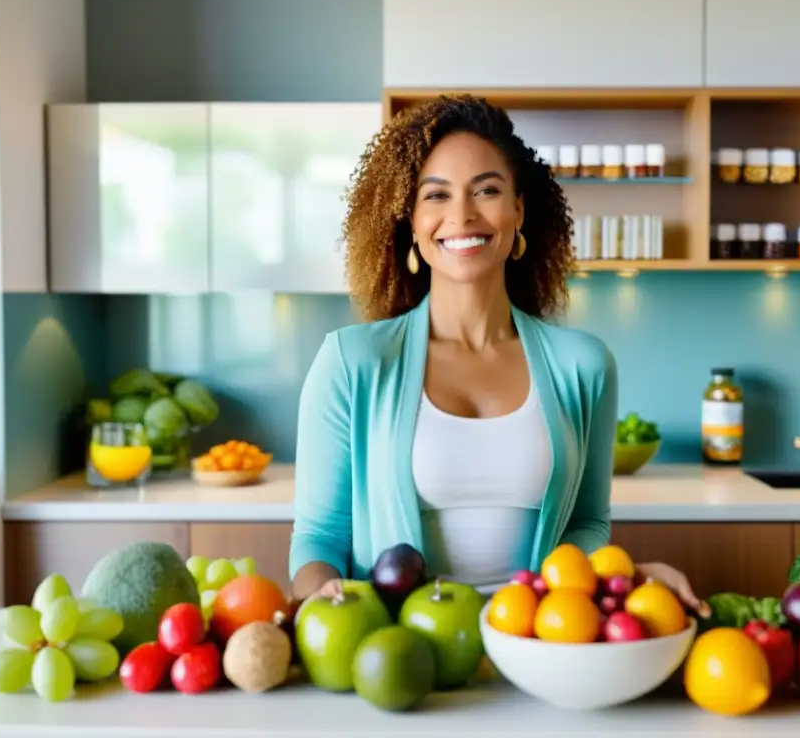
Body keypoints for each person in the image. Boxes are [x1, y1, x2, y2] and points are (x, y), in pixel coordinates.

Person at [288, 94, 706, 616]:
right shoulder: (352, 363)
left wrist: (628, 578)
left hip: (542, 645)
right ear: (411, 223)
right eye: (436, 196)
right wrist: (323, 594)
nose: (462, 215)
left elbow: (586, 525)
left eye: (486, 189)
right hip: (402, 660)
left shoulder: (584, 366)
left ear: (518, 210)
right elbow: (320, 537)